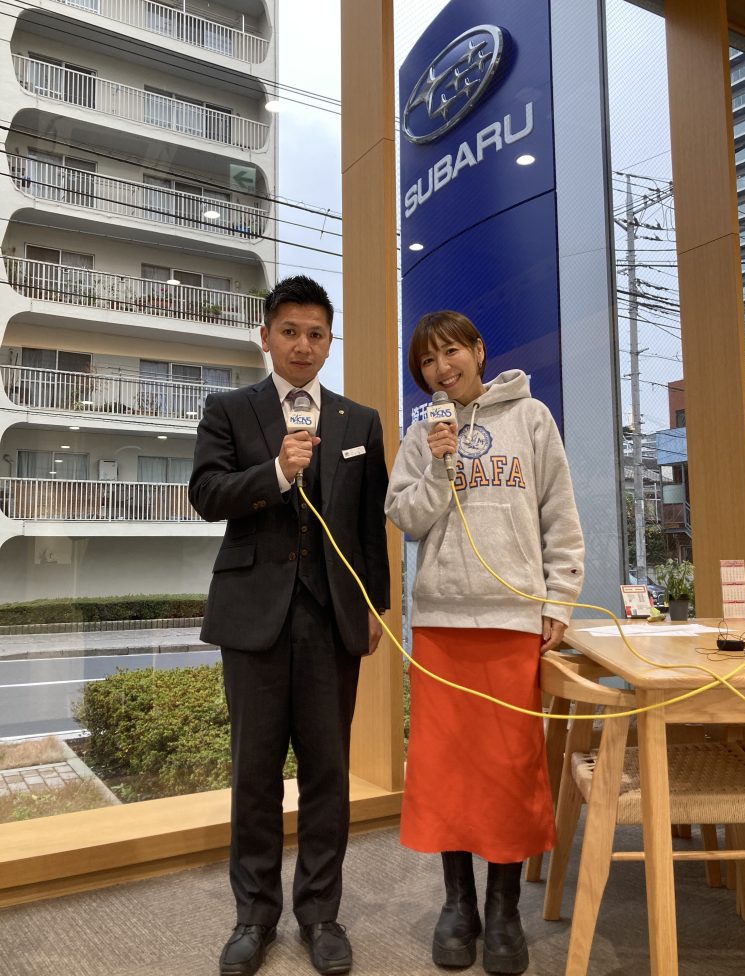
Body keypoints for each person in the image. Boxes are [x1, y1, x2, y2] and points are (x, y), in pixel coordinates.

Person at [189, 274, 390, 976]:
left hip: (332, 619)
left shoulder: (360, 421)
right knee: (255, 773)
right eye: (290, 331)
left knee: (329, 772)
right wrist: (274, 472)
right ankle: (254, 915)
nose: (303, 344)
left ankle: (321, 914)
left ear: (330, 343)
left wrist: (373, 606)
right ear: (266, 337)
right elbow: (206, 494)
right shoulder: (229, 409)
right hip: (254, 617)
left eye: (316, 334)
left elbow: (369, 527)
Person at [385, 311, 584, 975]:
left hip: (511, 623)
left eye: (451, 352)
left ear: (478, 350)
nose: (442, 368)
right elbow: (406, 518)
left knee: (507, 770)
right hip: (441, 625)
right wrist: (439, 465)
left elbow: (560, 517)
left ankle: (503, 910)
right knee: (447, 771)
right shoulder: (422, 433)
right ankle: (458, 904)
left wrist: (558, 602)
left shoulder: (532, 418)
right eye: (428, 361)